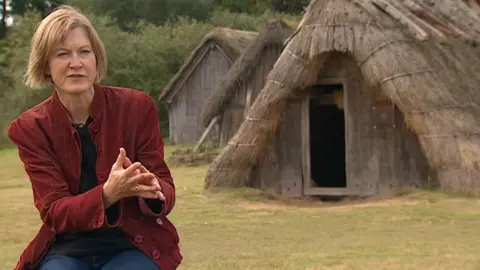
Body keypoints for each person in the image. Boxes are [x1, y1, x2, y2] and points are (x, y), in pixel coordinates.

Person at [7, 5, 182, 270]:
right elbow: (54, 211)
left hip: (132, 243)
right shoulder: (30, 128)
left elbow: (165, 188)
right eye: (62, 54)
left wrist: (152, 188)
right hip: (65, 249)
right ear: (45, 65)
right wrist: (108, 194)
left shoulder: (137, 107)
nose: (75, 63)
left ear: (96, 60)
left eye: (84, 52)